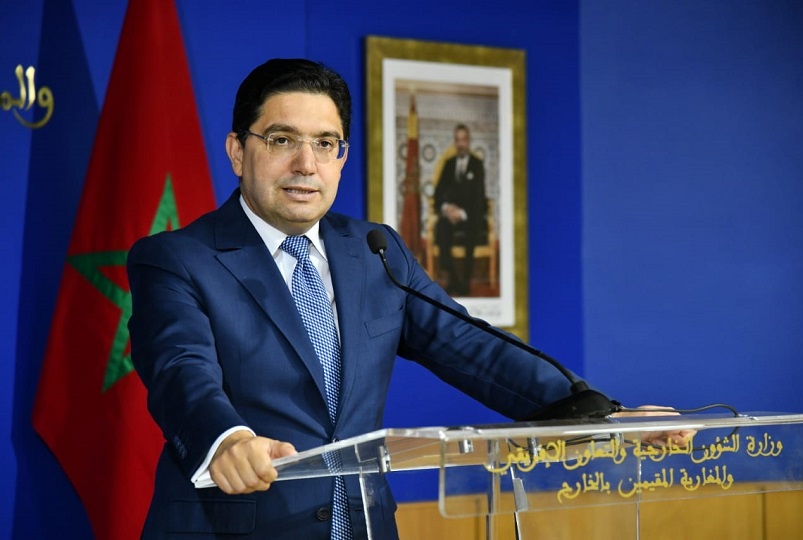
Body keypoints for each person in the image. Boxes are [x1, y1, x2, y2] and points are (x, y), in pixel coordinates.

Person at [127, 58, 691, 540]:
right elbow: (180, 369)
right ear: (237, 151)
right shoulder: (177, 258)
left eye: (325, 143)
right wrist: (226, 439)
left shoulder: (375, 252)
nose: (306, 164)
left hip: (365, 525)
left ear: (342, 156)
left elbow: (475, 350)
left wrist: (602, 416)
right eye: (282, 140)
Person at [432, 124, 487, 296]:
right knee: (441, 227)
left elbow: (479, 198)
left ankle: (465, 283)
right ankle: (454, 280)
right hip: (450, 216)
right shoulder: (448, 164)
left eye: (463, 140)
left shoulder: (477, 165)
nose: (461, 144)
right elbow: (438, 193)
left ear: (468, 141)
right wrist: (447, 208)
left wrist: (462, 213)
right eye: (458, 140)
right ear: (455, 142)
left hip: (470, 216)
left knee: (472, 230)